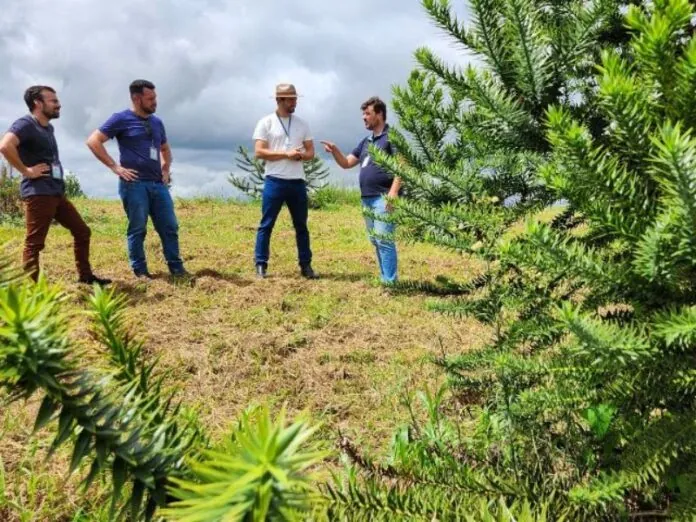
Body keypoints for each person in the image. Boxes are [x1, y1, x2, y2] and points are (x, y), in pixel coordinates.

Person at [0, 85, 111, 285]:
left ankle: (85, 277)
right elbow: (5, 145)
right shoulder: (25, 124)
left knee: (82, 231)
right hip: (39, 193)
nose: (58, 104)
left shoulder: (48, 127)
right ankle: (32, 291)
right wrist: (26, 171)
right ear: (37, 103)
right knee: (34, 243)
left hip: (55, 192)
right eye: (53, 101)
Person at [86, 79, 187, 279]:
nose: (155, 102)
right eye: (150, 98)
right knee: (138, 228)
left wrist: (166, 168)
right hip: (134, 184)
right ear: (136, 98)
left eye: (155, 97)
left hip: (158, 185)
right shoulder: (120, 119)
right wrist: (115, 167)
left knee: (170, 226)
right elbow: (93, 141)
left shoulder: (157, 123)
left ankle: (176, 268)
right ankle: (140, 271)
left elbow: (165, 149)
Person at [321, 96, 401, 283]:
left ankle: (390, 282)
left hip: (384, 198)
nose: (364, 118)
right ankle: (385, 278)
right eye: (363, 114)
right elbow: (347, 163)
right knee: (375, 240)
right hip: (367, 199)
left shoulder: (392, 137)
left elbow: (402, 165)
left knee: (384, 240)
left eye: (367, 114)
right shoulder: (366, 142)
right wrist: (335, 151)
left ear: (379, 114)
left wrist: (393, 192)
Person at [252, 83, 318, 279]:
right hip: (275, 180)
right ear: (279, 100)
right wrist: (285, 153)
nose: (294, 103)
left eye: (295, 99)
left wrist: (300, 156)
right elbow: (259, 151)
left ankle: (306, 265)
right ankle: (261, 264)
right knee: (266, 224)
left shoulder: (302, 124)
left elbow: (311, 152)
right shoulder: (266, 122)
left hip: (297, 181)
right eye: (291, 99)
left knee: (301, 226)